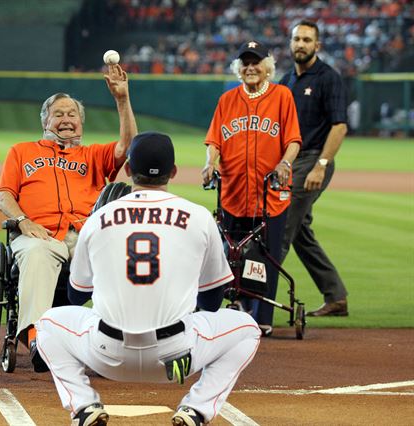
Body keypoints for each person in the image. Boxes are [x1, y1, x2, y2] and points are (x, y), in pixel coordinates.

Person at [36, 132, 261, 426]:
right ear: (174, 172)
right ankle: (196, 409)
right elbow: (212, 300)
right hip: (177, 357)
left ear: (128, 170)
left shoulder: (99, 217)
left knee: (48, 324)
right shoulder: (199, 216)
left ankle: (83, 405)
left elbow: (77, 295)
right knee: (247, 328)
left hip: (106, 357)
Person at [0, 63, 138, 371]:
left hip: (85, 236)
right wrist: (23, 221)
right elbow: (3, 195)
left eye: (72, 114)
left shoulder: (93, 155)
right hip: (39, 234)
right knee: (38, 252)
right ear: (45, 121)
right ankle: (38, 340)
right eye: (58, 114)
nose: (66, 120)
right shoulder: (21, 152)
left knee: (118, 256)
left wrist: (122, 100)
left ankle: (113, 340)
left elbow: (129, 146)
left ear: (81, 124)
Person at [202, 40, 302, 336]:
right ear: (238, 68)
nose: (250, 68)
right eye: (244, 63)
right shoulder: (228, 100)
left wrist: (284, 164)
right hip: (233, 191)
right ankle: (240, 307)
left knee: (267, 254)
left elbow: (293, 140)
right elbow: (214, 141)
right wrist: (210, 163)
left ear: (267, 66)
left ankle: (263, 315)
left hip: (270, 192)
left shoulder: (282, 96)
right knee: (234, 253)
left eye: (255, 62)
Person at [279, 20, 349, 317]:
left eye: (307, 40)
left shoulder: (328, 78)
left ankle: (256, 298)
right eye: (297, 39)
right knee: (301, 233)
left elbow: (339, 125)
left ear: (317, 46)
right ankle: (336, 296)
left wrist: (321, 165)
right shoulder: (286, 81)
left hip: (313, 159)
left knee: (281, 227)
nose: (301, 44)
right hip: (291, 160)